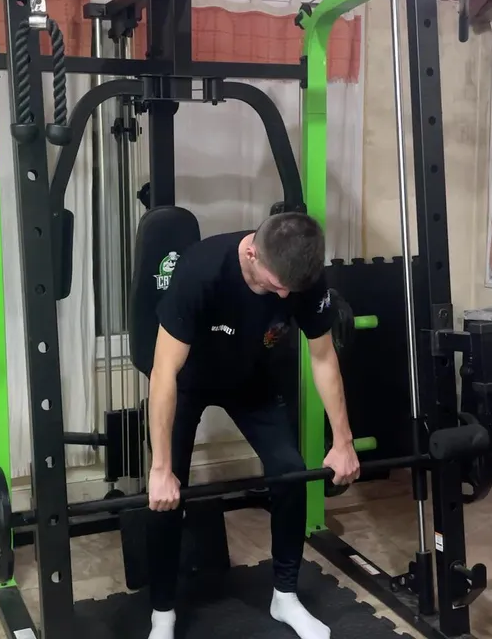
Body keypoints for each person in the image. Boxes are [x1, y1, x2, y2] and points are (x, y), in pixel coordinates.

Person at [144, 212, 361, 639]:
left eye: (290, 289)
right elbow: (163, 371)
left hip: (251, 379)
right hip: (189, 380)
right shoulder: (201, 270)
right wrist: (160, 469)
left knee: (290, 471)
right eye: (276, 284)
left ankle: (285, 597)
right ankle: (162, 615)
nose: (283, 295)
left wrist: (343, 441)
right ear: (251, 253)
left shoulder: (303, 277)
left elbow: (322, 357)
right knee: (167, 494)